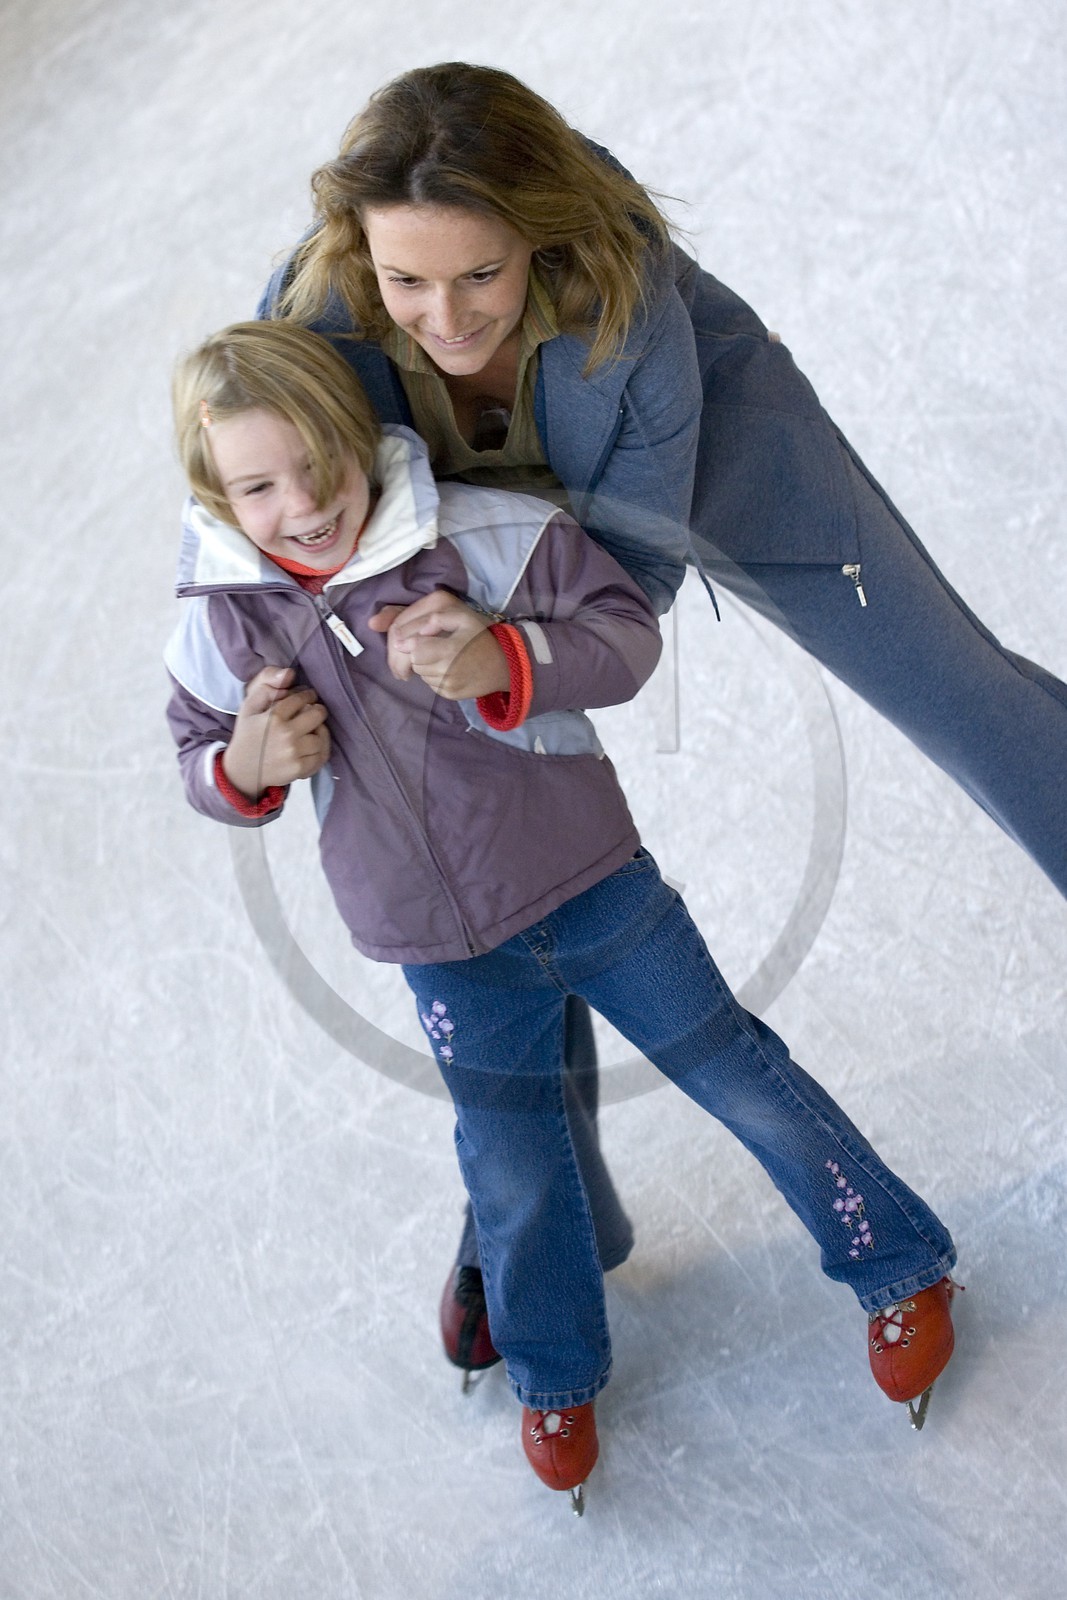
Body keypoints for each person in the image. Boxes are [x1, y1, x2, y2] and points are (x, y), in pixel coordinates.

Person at [254, 62, 1064, 1381]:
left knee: (948, 680)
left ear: (534, 236)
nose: (442, 317)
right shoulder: (314, 323)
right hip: (435, 550)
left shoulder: (626, 314)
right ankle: (540, 1223)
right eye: (406, 283)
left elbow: (623, 587)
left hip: (716, 457)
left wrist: (512, 655)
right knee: (495, 844)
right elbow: (260, 519)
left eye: (478, 275)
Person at [165, 320, 958, 1511]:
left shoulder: (473, 533)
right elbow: (193, 754)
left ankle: (898, 1261)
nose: (301, 504)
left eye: (316, 459)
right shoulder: (220, 619)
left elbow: (622, 638)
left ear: (357, 435)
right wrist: (244, 760)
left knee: (735, 1072)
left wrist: (504, 661)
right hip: (437, 951)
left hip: (593, 886)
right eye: (257, 486)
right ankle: (553, 1373)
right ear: (215, 495)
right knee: (512, 1164)